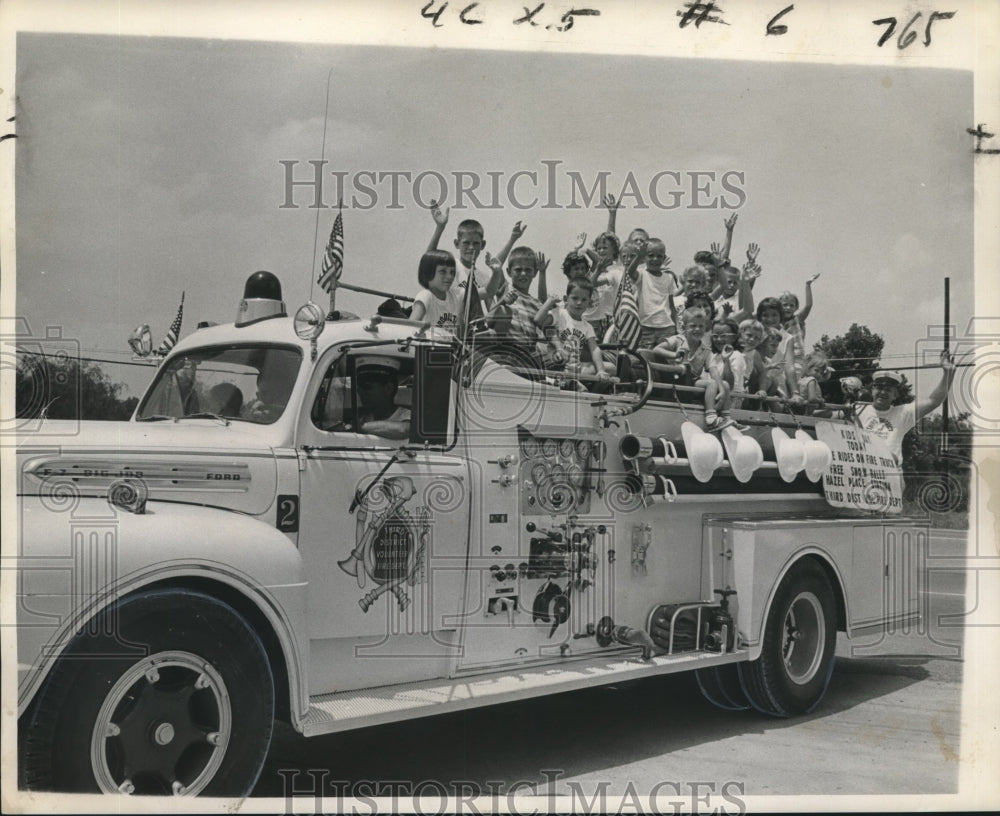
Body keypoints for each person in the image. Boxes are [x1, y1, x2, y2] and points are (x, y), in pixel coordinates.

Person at [853, 353, 955, 465]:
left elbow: (933, 401)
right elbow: (830, 415)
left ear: (895, 395)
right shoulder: (857, 409)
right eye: (879, 388)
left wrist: (947, 374)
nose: (882, 392)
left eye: (888, 390)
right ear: (872, 391)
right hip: (863, 471)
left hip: (891, 475)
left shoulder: (903, 413)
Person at [426, 201, 523, 307]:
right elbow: (428, 259)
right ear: (457, 244)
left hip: (467, 323)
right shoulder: (450, 265)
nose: (471, 248)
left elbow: (491, 314)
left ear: (483, 245)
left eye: (476, 243)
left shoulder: (484, 279)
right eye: (466, 243)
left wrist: (503, 302)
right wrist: (440, 227)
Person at [534, 277, 614, 385]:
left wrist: (601, 370)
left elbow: (594, 349)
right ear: (566, 299)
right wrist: (549, 302)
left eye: (584, 299)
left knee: (611, 368)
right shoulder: (560, 314)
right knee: (558, 359)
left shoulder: (587, 326)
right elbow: (538, 320)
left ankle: (572, 384)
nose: (579, 302)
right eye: (575, 298)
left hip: (576, 368)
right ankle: (560, 381)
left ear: (589, 303)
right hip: (557, 364)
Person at [353, 357, 411, 440]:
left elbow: (404, 430)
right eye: (359, 389)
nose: (361, 393)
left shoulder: (406, 415)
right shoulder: (364, 416)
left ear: (388, 389)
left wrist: (359, 427)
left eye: (366, 386)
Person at [636, 237, 678, 348]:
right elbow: (630, 273)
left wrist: (677, 327)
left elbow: (671, 305)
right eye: (650, 255)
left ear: (664, 258)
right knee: (644, 359)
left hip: (666, 327)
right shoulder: (641, 274)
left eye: (659, 256)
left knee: (665, 361)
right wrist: (638, 257)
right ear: (644, 257)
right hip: (645, 327)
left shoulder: (669, 277)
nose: (655, 259)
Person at [410, 250, 460, 335]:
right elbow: (410, 327)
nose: (449, 276)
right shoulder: (426, 296)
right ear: (428, 273)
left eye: (452, 272)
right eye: (443, 272)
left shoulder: (454, 296)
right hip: (429, 347)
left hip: (450, 347)